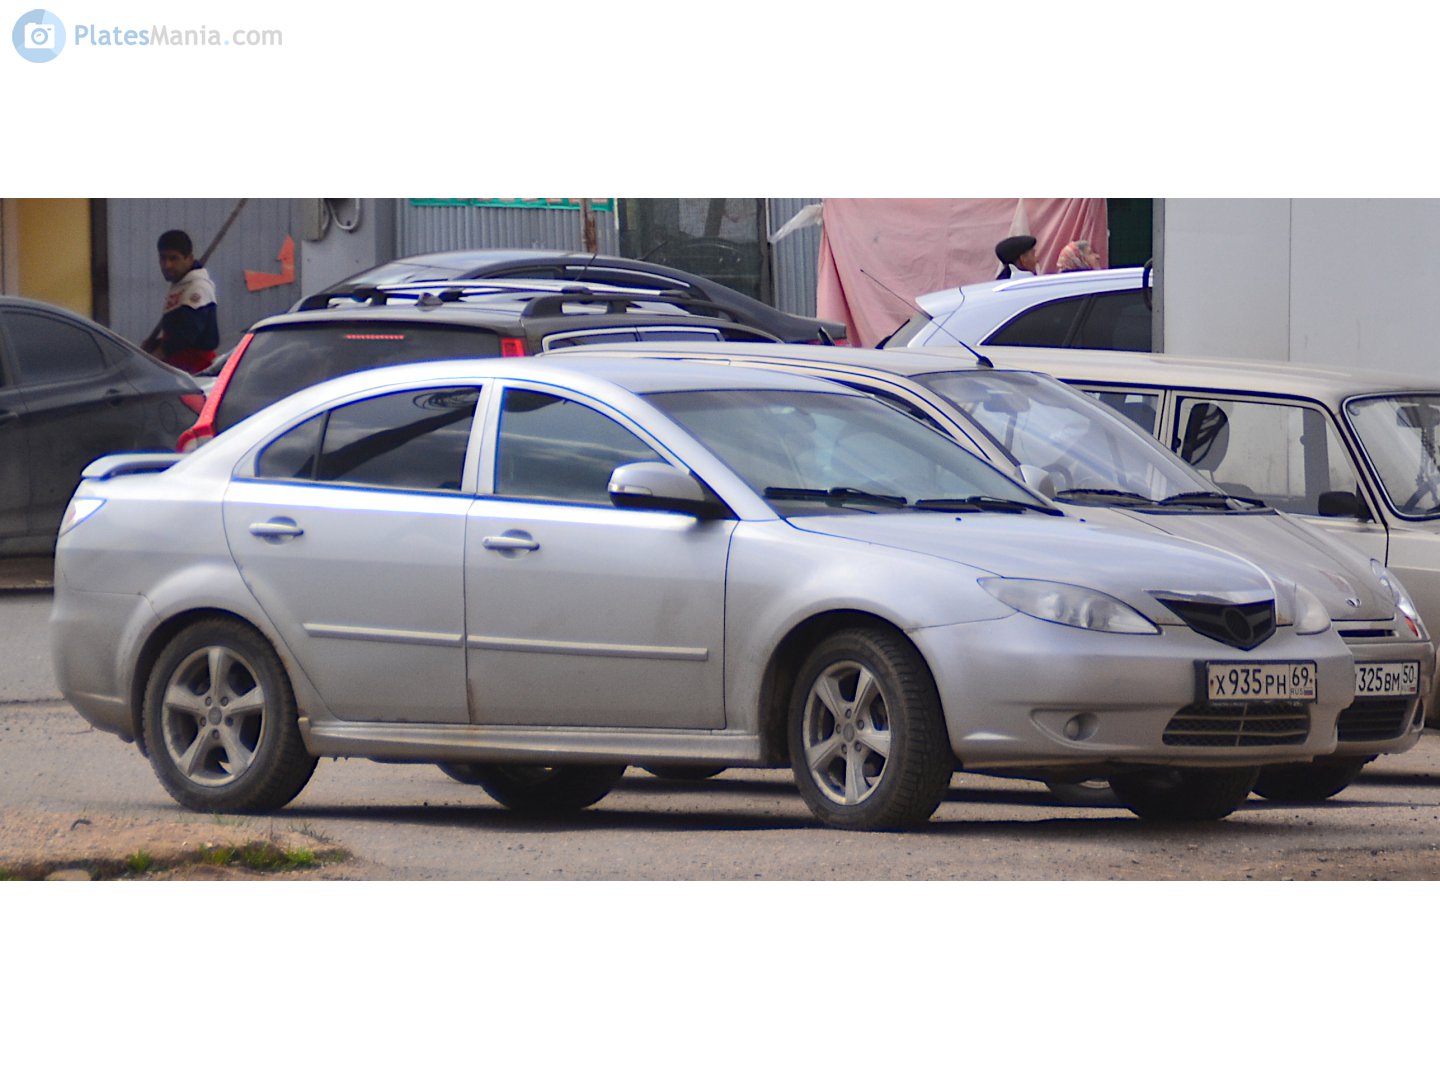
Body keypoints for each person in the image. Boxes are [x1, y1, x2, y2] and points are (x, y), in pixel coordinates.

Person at [142, 229, 219, 374]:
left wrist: (157, 354)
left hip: (195, 370)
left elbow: (187, 333)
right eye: (163, 258)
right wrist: (155, 343)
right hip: (179, 365)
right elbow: (176, 330)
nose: (167, 265)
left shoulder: (197, 287)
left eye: (174, 258)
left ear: (189, 259)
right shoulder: (180, 285)